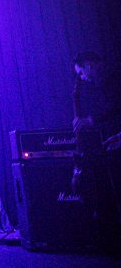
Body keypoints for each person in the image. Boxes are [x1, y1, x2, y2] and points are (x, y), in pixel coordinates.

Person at [71, 51, 120, 252]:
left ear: (89, 65)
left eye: (81, 72)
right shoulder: (107, 80)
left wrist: (91, 120)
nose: (83, 78)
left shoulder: (112, 78)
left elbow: (116, 107)